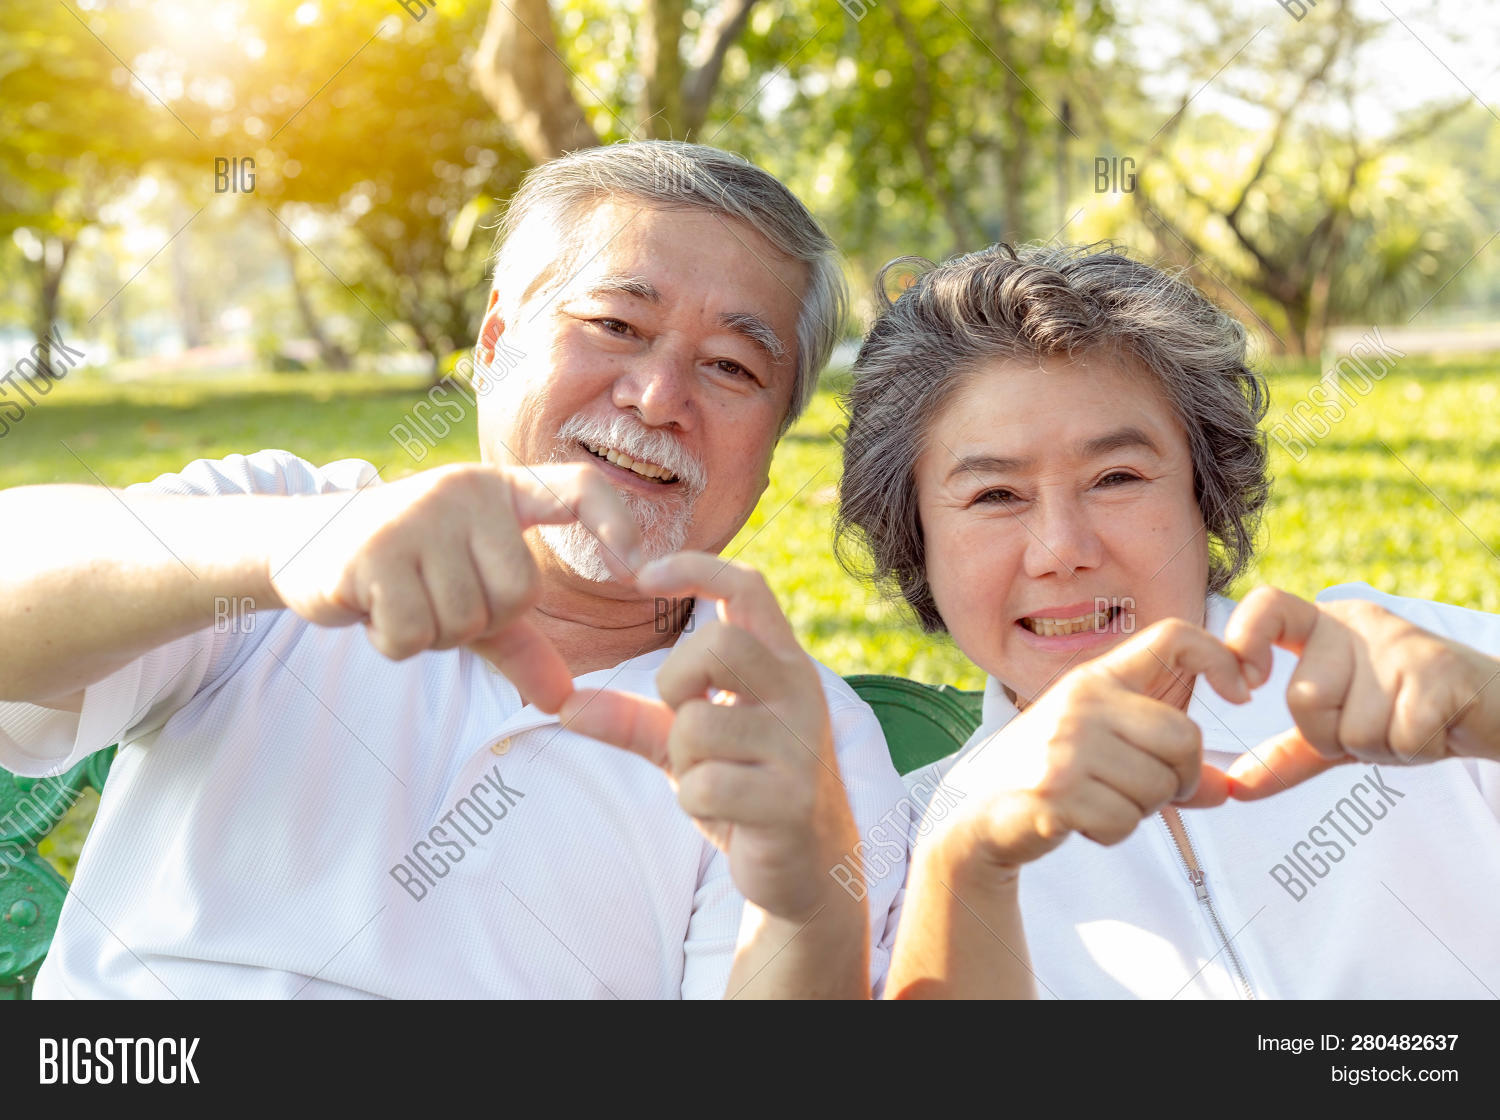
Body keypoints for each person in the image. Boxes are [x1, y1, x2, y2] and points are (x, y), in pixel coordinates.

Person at [0, 141, 908, 999]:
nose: (659, 397)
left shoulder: (801, 731)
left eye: (729, 366)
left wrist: (803, 894)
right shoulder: (277, 518)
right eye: (615, 324)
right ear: (494, 342)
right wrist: (290, 549)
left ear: (777, 435)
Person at [835, 242, 1500, 998]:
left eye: (1117, 478)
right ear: (914, 534)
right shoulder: (901, 851)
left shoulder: (1416, 665)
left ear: (1204, 491)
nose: (1063, 550)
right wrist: (967, 862)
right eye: (995, 496)